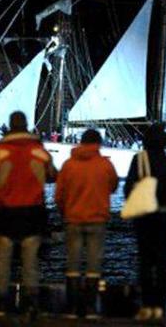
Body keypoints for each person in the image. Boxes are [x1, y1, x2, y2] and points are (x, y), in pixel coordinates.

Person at [0, 111, 56, 319]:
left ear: (10, 126)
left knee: (3, 260)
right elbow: (53, 175)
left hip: (4, 213)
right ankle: (31, 304)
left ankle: (0, 304)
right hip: (32, 213)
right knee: (30, 261)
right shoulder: (38, 151)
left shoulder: (0, 152)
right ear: (26, 125)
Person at [55, 129, 119, 319]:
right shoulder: (105, 164)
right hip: (97, 219)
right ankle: (91, 308)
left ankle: (72, 308)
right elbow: (113, 185)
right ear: (98, 143)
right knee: (93, 263)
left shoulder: (68, 165)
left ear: (81, 142)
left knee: (72, 262)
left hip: (73, 219)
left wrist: (64, 212)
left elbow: (59, 195)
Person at [124, 124, 166, 321]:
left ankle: (147, 304)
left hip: (144, 217)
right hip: (164, 216)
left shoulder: (138, 159)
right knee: (162, 262)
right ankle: (160, 306)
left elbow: (127, 187)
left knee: (145, 262)